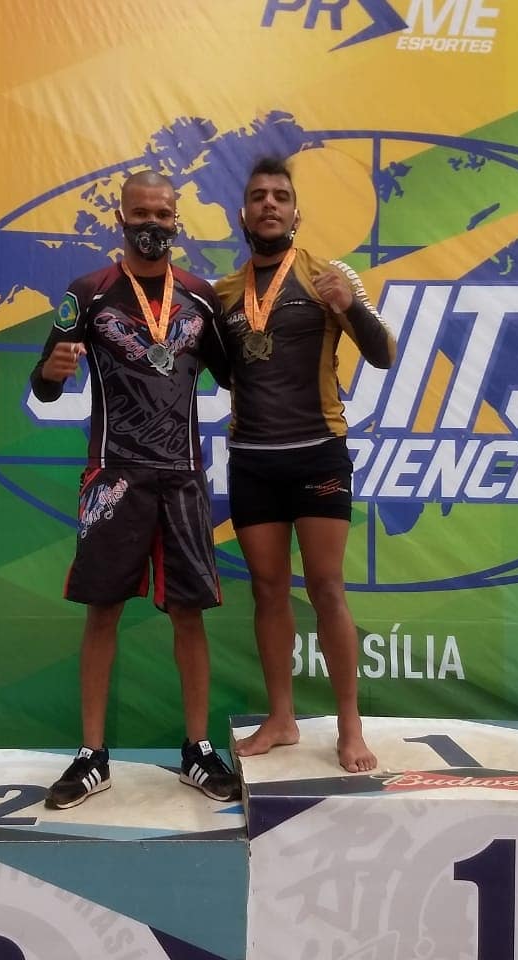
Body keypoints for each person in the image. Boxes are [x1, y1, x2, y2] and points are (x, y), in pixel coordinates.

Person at [30, 171, 240, 809]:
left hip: (182, 476)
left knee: (188, 614)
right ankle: (92, 755)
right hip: (114, 474)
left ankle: (197, 750)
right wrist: (50, 372)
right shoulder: (88, 292)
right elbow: (44, 387)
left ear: (177, 220)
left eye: (163, 213)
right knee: (103, 610)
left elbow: (236, 375)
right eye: (141, 213)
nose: (153, 223)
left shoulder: (200, 297)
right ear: (120, 218)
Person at [214, 156, 397, 773]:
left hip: (317, 452)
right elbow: (224, 373)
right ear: (243, 214)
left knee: (326, 588)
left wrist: (354, 307)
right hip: (252, 461)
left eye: (280, 196)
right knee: (268, 590)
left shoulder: (330, 277)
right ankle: (282, 719)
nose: (269, 203)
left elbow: (383, 354)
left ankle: (350, 726)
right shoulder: (224, 294)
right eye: (258, 196)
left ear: (296, 213)